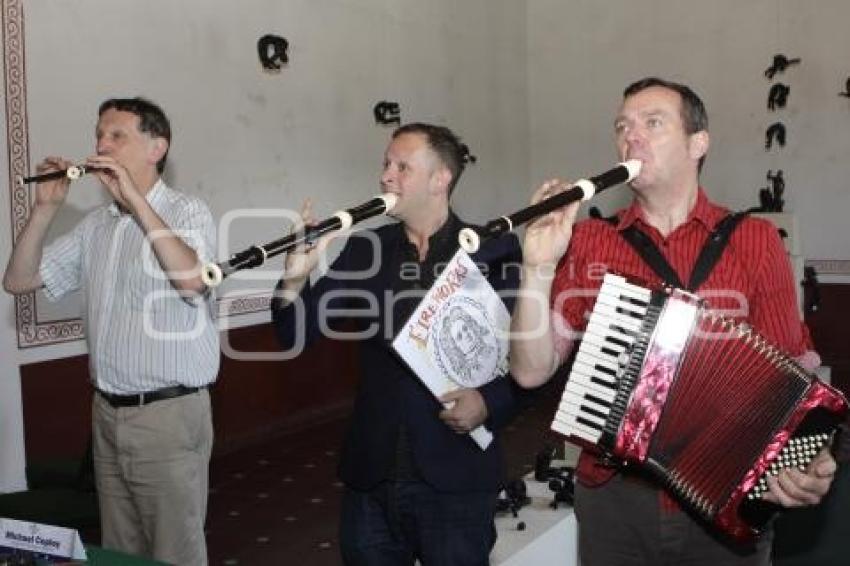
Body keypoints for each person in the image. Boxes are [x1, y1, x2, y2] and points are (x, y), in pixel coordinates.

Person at [509, 77, 839, 565]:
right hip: (615, 500)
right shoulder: (589, 242)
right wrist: (536, 267)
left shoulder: (755, 240)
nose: (631, 136)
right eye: (623, 126)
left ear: (698, 143)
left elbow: (792, 375)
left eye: (653, 123)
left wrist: (809, 456)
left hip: (724, 497)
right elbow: (530, 371)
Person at [271, 123, 523, 566]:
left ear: (440, 178)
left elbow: (530, 360)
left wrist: (488, 403)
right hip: (372, 477)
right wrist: (295, 275)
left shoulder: (493, 250)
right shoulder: (364, 248)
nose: (386, 176)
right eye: (386, 165)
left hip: (457, 478)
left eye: (402, 166)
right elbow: (295, 334)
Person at [3, 97, 219, 566]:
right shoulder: (94, 227)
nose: (101, 144)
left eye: (117, 135)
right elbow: (18, 281)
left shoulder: (187, 212)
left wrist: (136, 201)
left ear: (155, 148)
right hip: (106, 414)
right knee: (121, 551)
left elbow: (190, 281)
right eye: (99, 134)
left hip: (168, 416)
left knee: (174, 552)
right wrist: (44, 209)